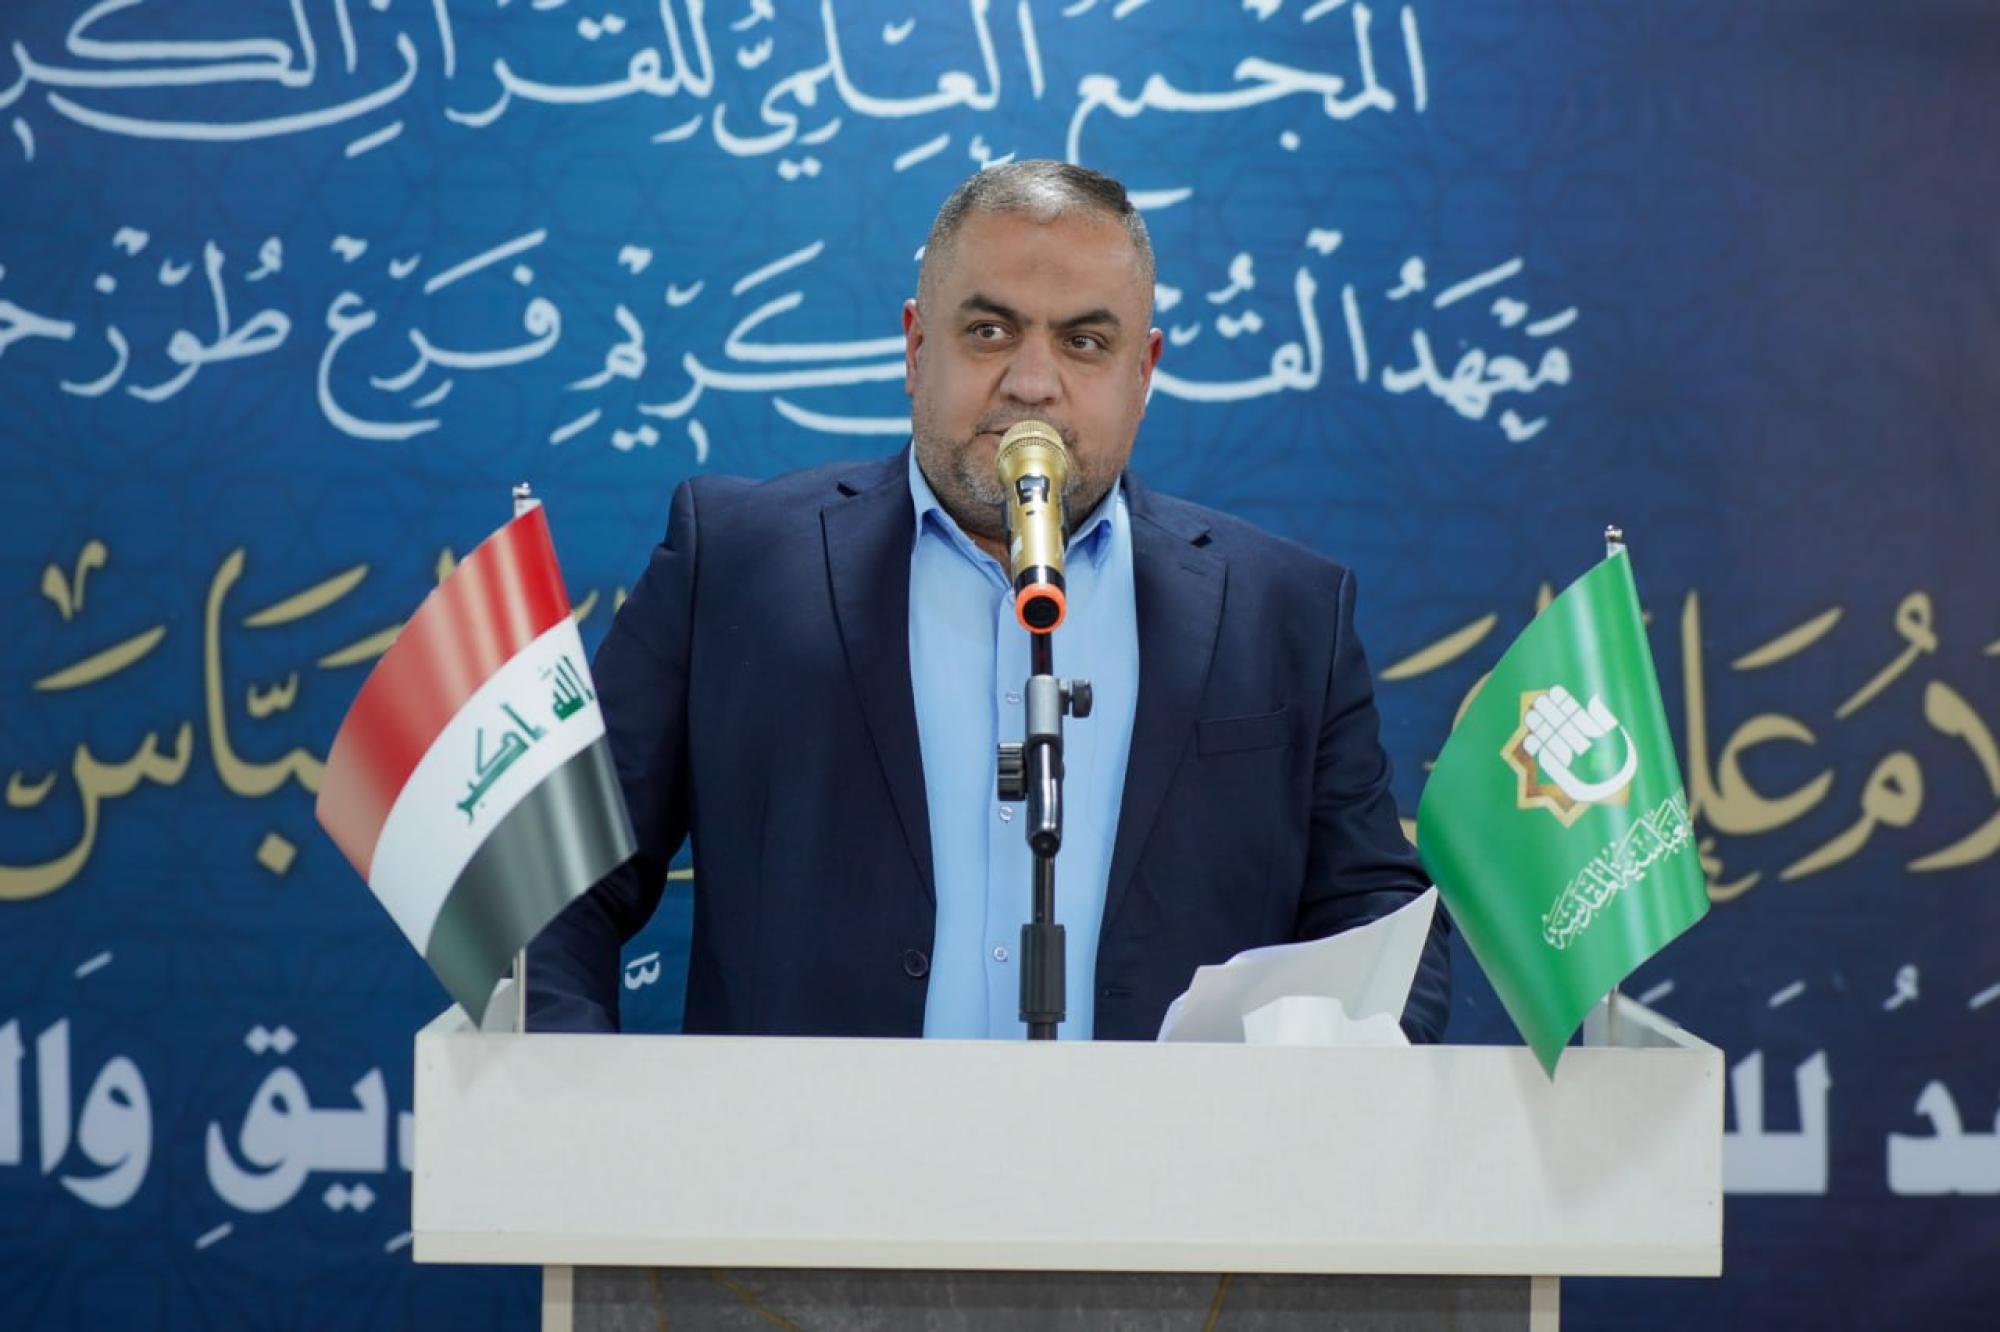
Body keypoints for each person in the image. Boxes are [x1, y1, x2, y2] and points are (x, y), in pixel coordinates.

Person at [527, 161, 1451, 1041]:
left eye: (1085, 342)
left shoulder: (1285, 613)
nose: (1032, 384)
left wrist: (1332, 1091)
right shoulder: (731, 566)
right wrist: (564, 1091)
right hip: (803, 1152)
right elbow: (558, 882)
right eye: (989, 331)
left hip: (1164, 1156)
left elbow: (1379, 923)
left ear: (1144, 373)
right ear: (916, 347)